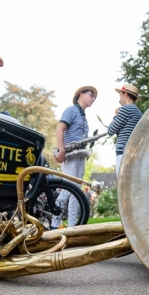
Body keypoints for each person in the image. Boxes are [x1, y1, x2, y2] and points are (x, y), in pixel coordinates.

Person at [51, 86, 97, 228]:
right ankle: (54, 224)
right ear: (81, 95)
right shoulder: (71, 110)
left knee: (76, 192)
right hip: (70, 157)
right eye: (91, 95)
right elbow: (60, 129)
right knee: (67, 189)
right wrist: (62, 150)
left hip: (79, 157)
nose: (93, 99)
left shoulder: (84, 116)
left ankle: (72, 227)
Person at [106, 84, 143, 177]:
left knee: (122, 184)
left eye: (120, 95)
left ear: (125, 94)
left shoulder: (124, 110)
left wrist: (115, 115)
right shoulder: (138, 112)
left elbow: (110, 130)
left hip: (123, 153)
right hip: (134, 153)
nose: (119, 98)